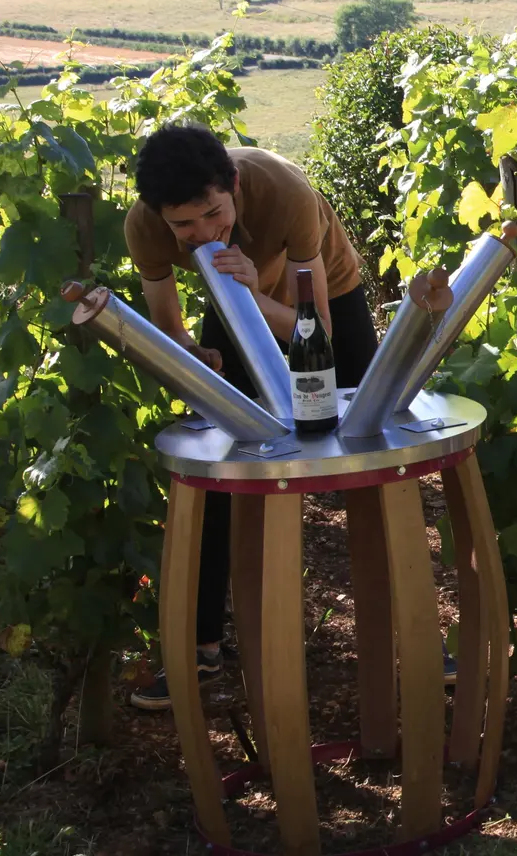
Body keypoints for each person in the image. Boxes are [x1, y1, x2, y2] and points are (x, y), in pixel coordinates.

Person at [122, 125, 395, 708]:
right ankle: (201, 647)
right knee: (221, 458)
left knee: (370, 451)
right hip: (233, 296)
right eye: (184, 227)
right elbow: (171, 336)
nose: (201, 233)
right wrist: (200, 359)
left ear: (235, 186)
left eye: (213, 215)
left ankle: (405, 631)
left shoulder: (286, 193)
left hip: (321, 296)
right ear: (159, 217)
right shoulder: (146, 227)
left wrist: (253, 283)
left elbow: (312, 327)